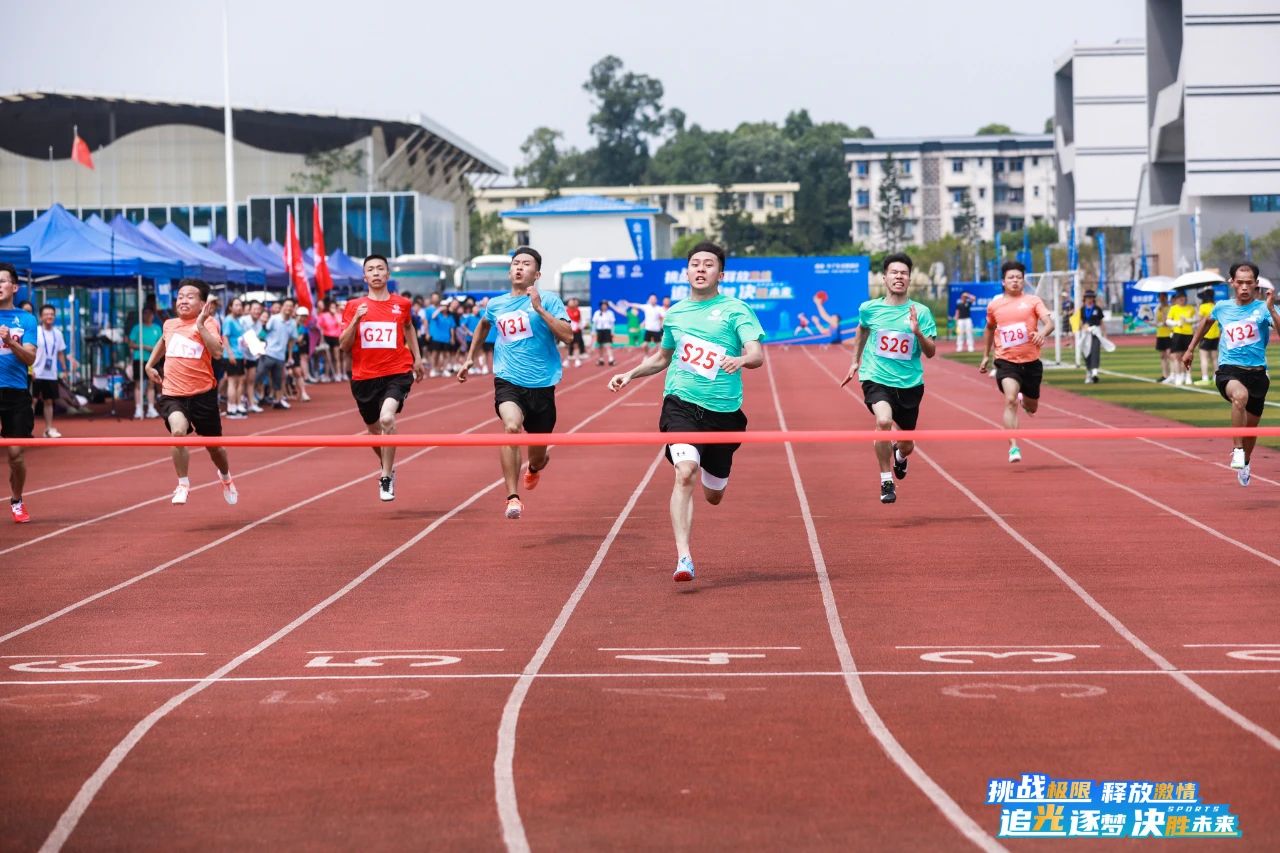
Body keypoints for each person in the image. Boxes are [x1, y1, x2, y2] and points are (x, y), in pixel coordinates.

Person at [609, 242, 764, 582]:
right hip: (680, 404)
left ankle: (713, 471)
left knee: (714, 495)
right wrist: (630, 374)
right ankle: (684, 557)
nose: (701, 269)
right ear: (687, 271)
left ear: (720, 274)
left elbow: (756, 354)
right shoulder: (676, 314)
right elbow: (663, 358)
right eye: (695, 263)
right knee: (685, 472)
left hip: (724, 413)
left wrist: (740, 359)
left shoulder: (735, 310)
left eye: (708, 264)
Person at [457, 247, 571, 520]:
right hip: (508, 379)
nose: (519, 267)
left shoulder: (550, 300)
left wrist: (539, 309)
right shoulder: (496, 304)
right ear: (510, 271)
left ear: (537, 274)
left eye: (526, 264)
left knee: (538, 457)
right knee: (510, 427)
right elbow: (483, 325)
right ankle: (512, 497)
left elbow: (567, 336)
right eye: (516, 263)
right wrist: (470, 357)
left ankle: (534, 467)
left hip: (542, 385)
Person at [841, 252, 937, 504]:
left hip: (909, 384)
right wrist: (855, 360)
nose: (899, 276)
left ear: (909, 279)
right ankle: (886, 480)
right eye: (894, 272)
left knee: (907, 444)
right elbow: (862, 329)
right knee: (883, 421)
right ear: (884, 277)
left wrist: (917, 332)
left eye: (904, 273)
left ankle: (899, 455)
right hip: (876, 377)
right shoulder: (869, 309)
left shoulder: (921, 312)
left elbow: (930, 352)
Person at [1183, 261, 1279, 487]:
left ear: (1256, 284)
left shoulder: (1264, 308)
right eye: (1240, 282)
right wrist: (1190, 348)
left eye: (1249, 283)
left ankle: (1245, 461)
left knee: (1251, 429)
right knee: (1239, 397)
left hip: (1258, 374)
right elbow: (1206, 323)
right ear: (1232, 282)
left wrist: (1272, 309)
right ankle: (1237, 450)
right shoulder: (1222, 307)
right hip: (1229, 370)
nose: (1244, 287)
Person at [144, 280, 238, 507]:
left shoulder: (209, 323)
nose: (183, 301)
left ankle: (226, 477)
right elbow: (163, 342)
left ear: (203, 304)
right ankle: (183, 483)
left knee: (215, 448)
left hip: (202, 395)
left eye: (190, 297)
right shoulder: (169, 324)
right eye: (180, 297)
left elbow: (217, 352)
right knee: (177, 432)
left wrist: (200, 325)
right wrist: (149, 364)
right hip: (173, 394)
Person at [340, 254, 427, 501]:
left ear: (388, 274)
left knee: (387, 418)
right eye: (371, 269)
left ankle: (386, 476)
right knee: (373, 431)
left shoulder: (402, 304)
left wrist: (417, 358)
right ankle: (387, 465)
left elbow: (408, 327)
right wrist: (356, 320)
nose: (376, 273)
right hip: (364, 377)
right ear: (364, 276)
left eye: (380, 269)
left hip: (397, 372)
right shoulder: (354, 306)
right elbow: (344, 345)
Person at [978, 261, 1055, 463]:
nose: (1015, 281)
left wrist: (1042, 334)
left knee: (1032, 407)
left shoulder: (1033, 301)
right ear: (1003, 281)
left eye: (1019, 278)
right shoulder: (995, 305)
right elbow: (989, 328)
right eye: (1011, 277)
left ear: (1023, 281)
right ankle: (1013, 446)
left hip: (1031, 363)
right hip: (1006, 361)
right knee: (1010, 399)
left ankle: (1026, 402)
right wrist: (986, 355)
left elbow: (1049, 323)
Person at [0, 263, 38, 523]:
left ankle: (17, 500)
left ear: (14, 287)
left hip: (16, 393)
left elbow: (30, 357)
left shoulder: (26, 319)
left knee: (15, 455)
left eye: (2, 281)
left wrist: (10, 342)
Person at [32, 304, 74, 438]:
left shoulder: (58, 333)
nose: (49, 316)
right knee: (32, 401)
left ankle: (48, 429)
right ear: (41, 317)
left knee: (49, 401)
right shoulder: (36, 331)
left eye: (51, 314)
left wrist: (65, 370)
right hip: (36, 372)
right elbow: (29, 350)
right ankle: (26, 429)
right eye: (46, 314)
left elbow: (60, 353)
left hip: (51, 374)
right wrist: (30, 369)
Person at [258, 298, 297, 409]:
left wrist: (290, 355)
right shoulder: (274, 318)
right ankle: (255, 398)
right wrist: (259, 347)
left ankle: (278, 400)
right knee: (259, 376)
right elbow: (264, 332)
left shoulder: (292, 323)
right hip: (268, 353)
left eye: (291, 306)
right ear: (282, 307)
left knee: (278, 380)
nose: (288, 308)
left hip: (280, 356)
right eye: (286, 305)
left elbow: (292, 340)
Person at [128, 305, 163, 419]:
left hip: (153, 360)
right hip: (139, 359)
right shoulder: (137, 328)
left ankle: (151, 408)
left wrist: (155, 350)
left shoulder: (157, 328)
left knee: (151, 384)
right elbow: (131, 344)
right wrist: (143, 347)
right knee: (138, 383)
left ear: (153, 315)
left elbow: (161, 344)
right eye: (145, 313)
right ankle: (138, 408)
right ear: (142, 315)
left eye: (150, 313)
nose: (148, 316)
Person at [1166, 289, 1196, 385]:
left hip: (1188, 334)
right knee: (1176, 356)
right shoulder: (1173, 308)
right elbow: (1168, 321)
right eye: (1179, 297)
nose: (1181, 299)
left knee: (1187, 357)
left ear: (1186, 298)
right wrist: (1176, 323)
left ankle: (1188, 376)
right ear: (1176, 299)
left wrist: (1188, 320)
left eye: (1183, 297)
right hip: (1177, 334)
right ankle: (1178, 376)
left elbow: (1195, 319)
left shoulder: (1190, 308)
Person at [1079, 290, 1106, 384]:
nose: (1089, 299)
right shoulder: (1082, 309)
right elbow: (1081, 322)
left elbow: (1101, 322)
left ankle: (1095, 373)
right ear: (1085, 299)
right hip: (1086, 334)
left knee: (1095, 351)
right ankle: (1088, 372)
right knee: (1086, 353)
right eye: (1088, 298)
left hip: (1096, 333)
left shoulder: (1097, 309)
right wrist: (1083, 327)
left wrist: (1104, 334)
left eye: (1091, 297)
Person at [1195, 286, 1220, 385]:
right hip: (1215, 335)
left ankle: (1205, 378)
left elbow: (1200, 321)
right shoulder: (1216, 306)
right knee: (1214, 358)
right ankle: (1215, 377)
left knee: (1204, 358)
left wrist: (1198, 309)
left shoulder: (1203, 307)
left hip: (1205, 335)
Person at [1153, 292, 1173, 382]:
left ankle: (1172, 374)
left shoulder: (1170, 308)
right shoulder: (1157, 309)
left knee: (1169, 355)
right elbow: (1155, 322)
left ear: (1166, 298)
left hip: (1169, 334)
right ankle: (1165, 375)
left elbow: (1168, 321)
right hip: (1160, 334)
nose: (1162, 299)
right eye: (1160, 298)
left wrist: (1164, 315)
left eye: (1164, 297)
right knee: (1162, 356)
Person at [591, 300, 617, 366]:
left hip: (607, 330)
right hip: (599, 330)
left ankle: (611, 359)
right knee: (600, 346)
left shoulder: (610, 313)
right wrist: (593, 331)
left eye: (605, 305)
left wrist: (612, 332)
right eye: (602, 305)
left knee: (608, 345)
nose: (604, 306)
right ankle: (601, 359)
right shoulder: (597, 313)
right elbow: (594, 323)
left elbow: (612, 323)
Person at [564, 297, 587, 367]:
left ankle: (577, 360)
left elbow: (578, 319)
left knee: (576, 345)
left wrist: (579, 326)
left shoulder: (577, 311)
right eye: (570, 302)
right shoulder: (565, 311)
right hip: (568, 331)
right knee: (567, 346)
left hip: (576, 331)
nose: (572, 303)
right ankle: (566, 360)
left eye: (573, 302)